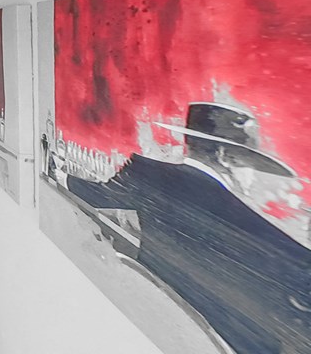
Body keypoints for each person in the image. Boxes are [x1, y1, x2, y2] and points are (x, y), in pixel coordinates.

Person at [63, 103, 311, 353]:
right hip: (218, 337)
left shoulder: (147, 172)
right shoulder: (237, 213)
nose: (251, 177)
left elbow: (87, 191)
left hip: (151, 311)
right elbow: (299, 266)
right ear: (224, 157)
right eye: (248, 164)